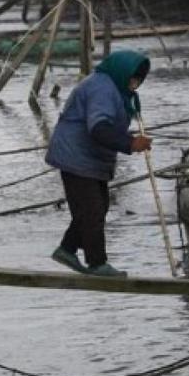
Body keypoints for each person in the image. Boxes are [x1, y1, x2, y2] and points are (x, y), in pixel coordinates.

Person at [45, 50, 153, 277]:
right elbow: (99, 128)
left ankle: (67, 249)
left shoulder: (117, 90)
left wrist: (130, 139)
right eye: (133, 78)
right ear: (122, 72)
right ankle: (97, 263)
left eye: (138, 80)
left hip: (89, 158)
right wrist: (131, 143)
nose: (135, 84)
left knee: (97, 206)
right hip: (76, 156)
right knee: (92, 209)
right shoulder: (101, 88)